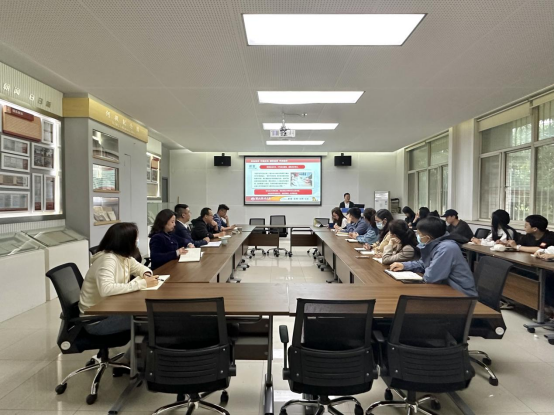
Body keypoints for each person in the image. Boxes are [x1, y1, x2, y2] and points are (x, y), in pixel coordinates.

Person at [79, 223, 158, 336]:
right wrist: (142, 283)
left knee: (148, 316)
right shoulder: (108, 260)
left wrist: (146, 274)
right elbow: (106, 289)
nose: (137, 241)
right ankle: (141, 348)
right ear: (126, 242)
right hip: (97, 320)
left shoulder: (123, 257)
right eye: (135, 239)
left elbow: (140, 268)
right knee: (150, 318)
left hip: (111, 308)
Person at [390, 217, 478, 297]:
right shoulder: (435, 244)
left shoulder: (446, 248)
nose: (417, 236)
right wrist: (404, 265)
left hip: (461, 294)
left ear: (428, 237)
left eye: (419, 234)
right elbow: (424, 264)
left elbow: (431, 277)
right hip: (445, 289)